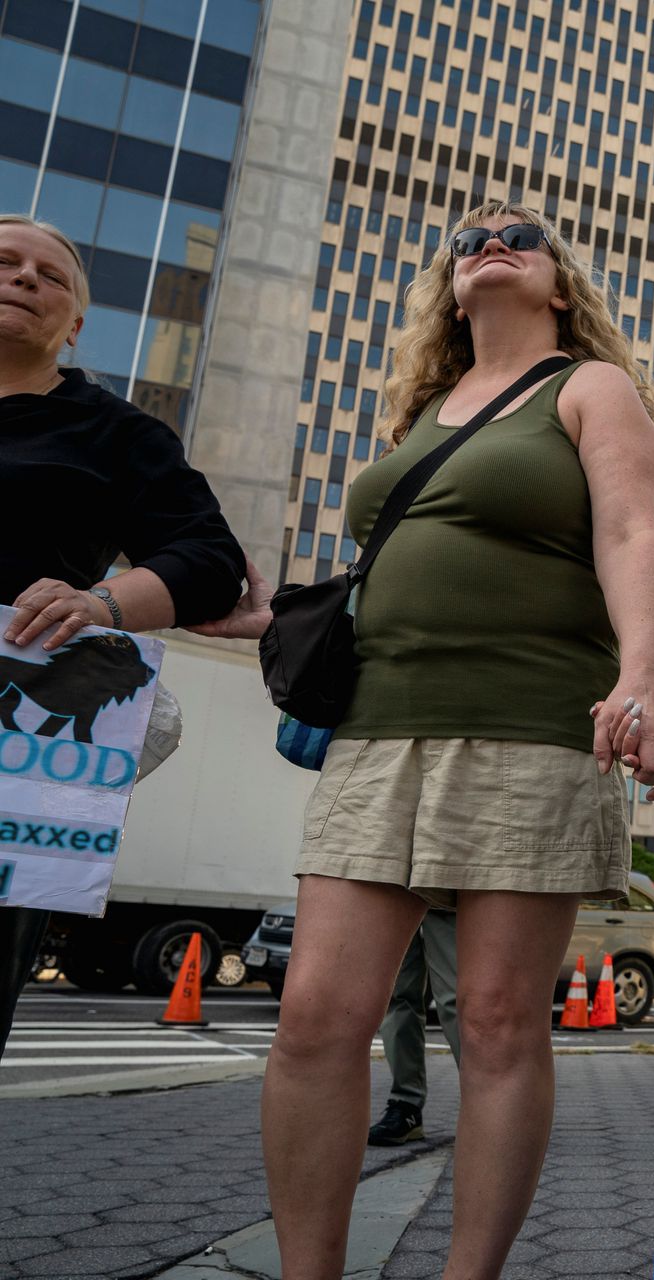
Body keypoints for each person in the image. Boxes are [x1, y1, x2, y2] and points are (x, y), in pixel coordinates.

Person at [219, 201, 654, 1280]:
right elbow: (394, 559)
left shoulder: (588, 386)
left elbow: (631, 527)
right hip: (377, 728)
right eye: (471, 236)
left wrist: (644, 673)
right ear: (450, 285)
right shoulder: (427, 409)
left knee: (495, 1022)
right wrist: (272, 616)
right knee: (313, 1019)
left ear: (558, 285)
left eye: (519, 235)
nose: (490, 240)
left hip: (530, 726)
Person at [0, 214, 257, 1056]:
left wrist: (100, 604)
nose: (26, 276)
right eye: (6, 261)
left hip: (13, 761)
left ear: (74, 326)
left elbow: (210, 562)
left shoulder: (116, 434)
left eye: (52, 275)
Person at [368, 908, 462, 1147]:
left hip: (446, 881)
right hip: (395, 880)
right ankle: (405, 1105)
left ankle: (488, 1103)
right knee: (397, 996)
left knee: (459, 999)